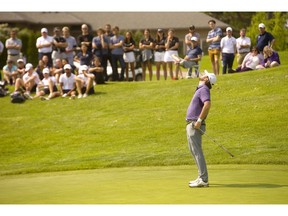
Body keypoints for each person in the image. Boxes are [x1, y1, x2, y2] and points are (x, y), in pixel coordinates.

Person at [186, 70, 217, 188]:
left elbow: (207, 104)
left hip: (195, 124)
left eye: (205, 75)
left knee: (197, 151)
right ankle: (200, 177)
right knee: (194, 151)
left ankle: (203, 179)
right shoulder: (201, 89)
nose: (202, 75)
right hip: (191, 123)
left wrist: (199, 120)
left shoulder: (204, 89)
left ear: (207, 79)